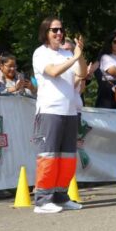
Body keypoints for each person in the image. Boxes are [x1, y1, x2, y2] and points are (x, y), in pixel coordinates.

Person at [31, 17, 87, 213]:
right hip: (49, 111)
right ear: (46, 32)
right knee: (49, 156)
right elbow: (53, 72)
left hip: (69, 111)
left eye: (61, 29)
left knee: (67, 158)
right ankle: (43, 200)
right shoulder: (40, 53)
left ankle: (61, 196)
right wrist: (73, 57)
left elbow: (82, 74)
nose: (59, 33)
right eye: (54, 30)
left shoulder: (66, 53)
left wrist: (79, 55)